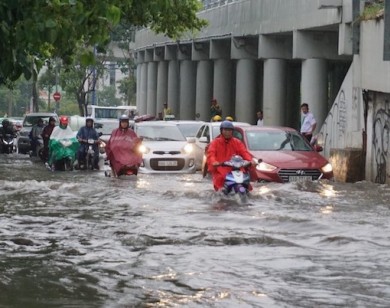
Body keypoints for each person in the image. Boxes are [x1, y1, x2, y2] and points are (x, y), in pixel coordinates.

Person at [207, 121, 253, 192]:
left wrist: (251, 161)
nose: (227, 132)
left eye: (229, 130)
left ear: (232, 131)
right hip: (221, 169)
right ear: (221, 131)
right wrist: (214, 162)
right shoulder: (215, 143)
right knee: (220, 180)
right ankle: (220, 195)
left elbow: (244, 153)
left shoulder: (237, 142)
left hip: (237, 169)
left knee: (247, 182)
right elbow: (211, 154)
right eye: (225, 130)